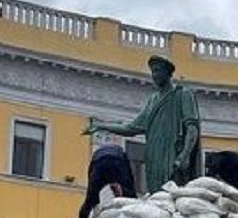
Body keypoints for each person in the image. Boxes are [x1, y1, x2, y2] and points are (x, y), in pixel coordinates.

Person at [85, 54, 202, 193]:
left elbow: (192, 127)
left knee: (175, 192)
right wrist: (101, 126)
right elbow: (131, 128)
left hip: (173, 153)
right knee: (156, 195)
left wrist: (185, 155)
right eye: (153, 71)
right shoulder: (153, 100)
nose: (154, 75)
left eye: (158, 71)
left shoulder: (183, 94)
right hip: (154, 155)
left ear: (168, 73)